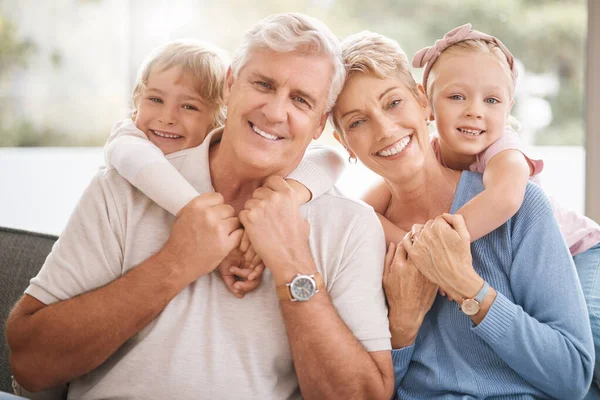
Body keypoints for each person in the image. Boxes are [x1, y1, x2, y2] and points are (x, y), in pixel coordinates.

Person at [6, 13, 393, 400]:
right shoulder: (123, 189)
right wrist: (176, 262)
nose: (275, 112)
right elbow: (30, 363)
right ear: (230, 85)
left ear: (319, 123)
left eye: (300, 100)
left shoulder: (351, 225)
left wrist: (294, 266)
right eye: (263, 84)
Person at [331, 30, 594, 398]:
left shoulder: (519, 204)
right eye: (357, 122)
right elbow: (365, 392)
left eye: (393, 103)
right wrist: (401, 327)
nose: (385, 129)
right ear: (344, 143)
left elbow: (572, 377)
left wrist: (470, 290)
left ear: (423, 102)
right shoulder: (356, 237)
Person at [104, 40, 345, 298]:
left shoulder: (341, 219)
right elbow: (132, 156)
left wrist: (286, 199)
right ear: (136, 100)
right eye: (154, 99)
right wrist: (209, 225)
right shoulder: (130, 140)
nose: (166, 117)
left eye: (189, 106)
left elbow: (330, 158)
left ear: (220, 115)